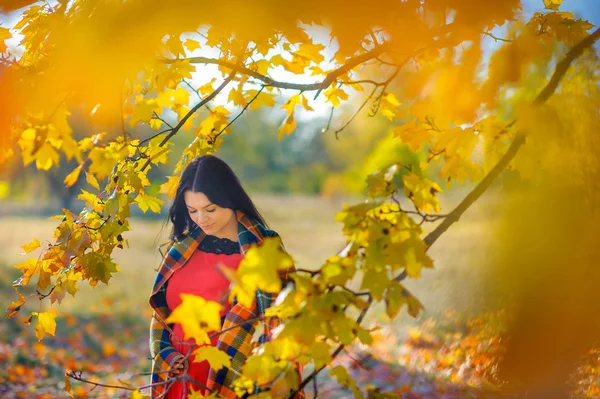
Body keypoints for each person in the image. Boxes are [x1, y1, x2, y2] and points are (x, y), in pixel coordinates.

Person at [148, 155, 304, 399]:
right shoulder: (181, 248)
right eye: (193, 211)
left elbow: (282, 321)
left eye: (210, 209)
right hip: (178, 374)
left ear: (229, 200)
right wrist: (165, 353)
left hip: (232, 374)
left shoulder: (264, 248)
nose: (201, 219)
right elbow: (162, 313)